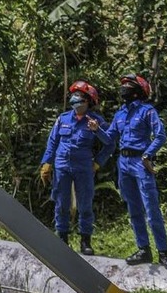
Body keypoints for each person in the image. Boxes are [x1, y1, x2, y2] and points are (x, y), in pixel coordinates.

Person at [93, 73, 167, 271]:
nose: (124, 89)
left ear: (139, 90)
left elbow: (161, 136)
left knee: (151, 208)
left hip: (140, 161)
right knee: (133, 208)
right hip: (123, 162)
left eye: (128, 86)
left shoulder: (147, 111)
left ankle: (164, 252)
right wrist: (97, 129)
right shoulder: (120, 113)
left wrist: (148, 155)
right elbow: (109, 139)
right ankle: (144, 250)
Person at [40, 81, 113, 255]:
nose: (75, 99)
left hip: (84, 168)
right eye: (75, 96)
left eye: (80, 96)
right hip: (62, 166)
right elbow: (52, 142)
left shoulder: (96, 121)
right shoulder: (63, 119)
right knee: (61, 203)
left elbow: (110, 143)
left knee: (85, 204)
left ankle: (85, 241)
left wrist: (98, 160)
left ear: (88, 101)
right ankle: (62, 238)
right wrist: (47, 163)